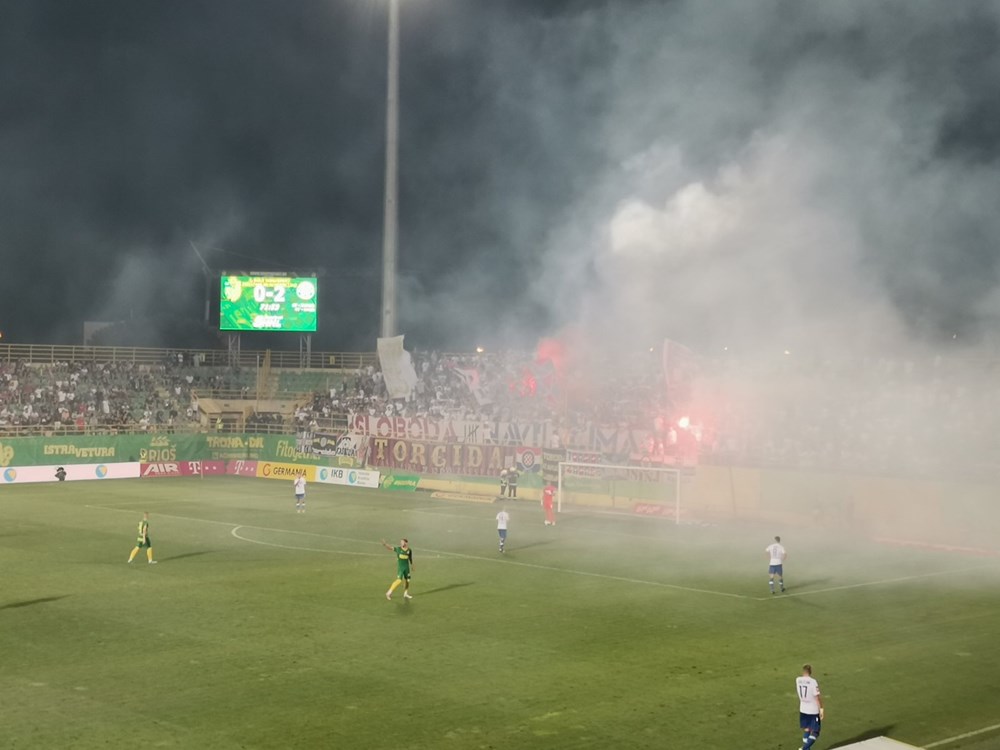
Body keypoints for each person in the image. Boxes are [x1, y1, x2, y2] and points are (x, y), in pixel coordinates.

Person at [796, 664, 824, 749]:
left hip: (803, 709)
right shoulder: (813, 682)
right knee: (815, 731)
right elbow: (817, 697)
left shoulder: (798, 680)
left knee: (807, 729)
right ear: (810, 671)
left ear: (803, 671)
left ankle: (806, 748)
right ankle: (803, 749)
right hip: (813, 710)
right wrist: (821, 709)